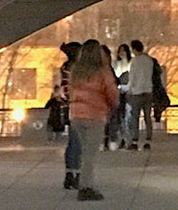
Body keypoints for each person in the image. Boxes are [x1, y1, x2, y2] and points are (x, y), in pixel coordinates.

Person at [65, 40, 118, 200]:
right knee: (91, 154)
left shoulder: (76, 70)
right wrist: (113, 105)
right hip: (95, 114)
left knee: (84, 151)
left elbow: (69, 91)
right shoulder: (102, 71)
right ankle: (86, 187)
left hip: (76, 114)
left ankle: (86, 184)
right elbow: (111, 92)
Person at [124, 40, 159, 149]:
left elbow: (132, 77)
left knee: (135, 117)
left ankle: (135, 140)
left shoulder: (134, 61)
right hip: (148, 91)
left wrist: (130, 88)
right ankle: (148, 139)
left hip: (137, 92)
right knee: (147, 117)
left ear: (134, 49)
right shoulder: (149, 60)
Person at [56, 43, 82, 178]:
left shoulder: (65, 67)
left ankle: (70, 172)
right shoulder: (75, 69)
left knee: (73, 141)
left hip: (70, 106)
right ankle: (75, 172)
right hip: (78, 106)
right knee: (77, 142)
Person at [105, 44, 132, 149]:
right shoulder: (116, 64)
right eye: (120, 51)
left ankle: (125, 138)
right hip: (118, 91)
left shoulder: (131, 63)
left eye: (124, 51)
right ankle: (120, 138)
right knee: (118, 116)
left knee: (126, 116)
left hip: (128, 90)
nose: (122, 53)